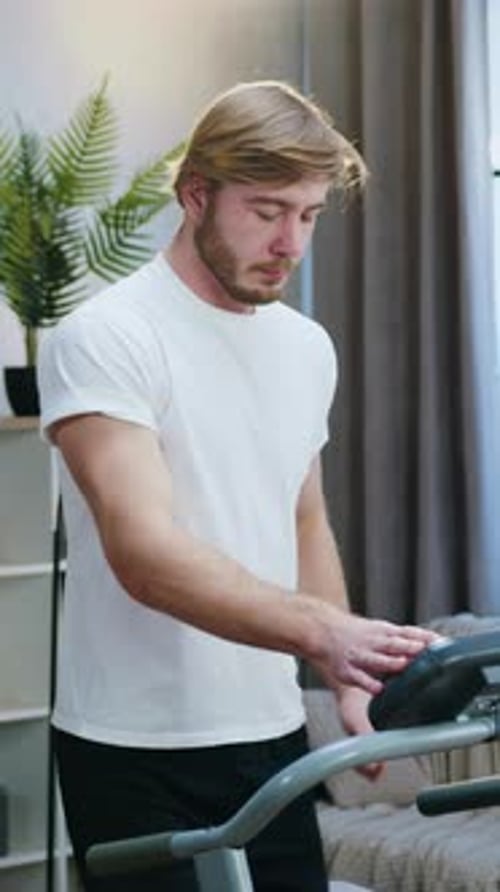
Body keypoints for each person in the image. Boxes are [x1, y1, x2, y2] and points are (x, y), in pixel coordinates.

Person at [38, 80, 436, 892]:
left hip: (270, 737)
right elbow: (143, 553)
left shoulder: (305, 346)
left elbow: (302, 517)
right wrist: (326, 635)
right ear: (195, 195)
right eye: (266, 210)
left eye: (310, 215)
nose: (291, 241)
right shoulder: (108, 336)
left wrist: (344, 676)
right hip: (135, 749)